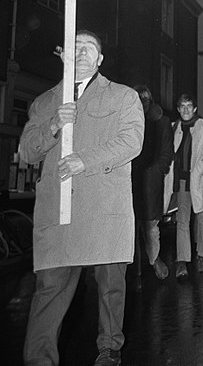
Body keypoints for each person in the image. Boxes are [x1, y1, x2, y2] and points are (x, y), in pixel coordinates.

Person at [20, 30, 144, 365]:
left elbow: (131, 141)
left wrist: (84, 160)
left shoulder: (122, 97)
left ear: (100, 59)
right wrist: (53, 127)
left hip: (104, 207)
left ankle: (109, 349)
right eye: (76, 48)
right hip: (59, 211)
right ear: (64, 55)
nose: (83, 53)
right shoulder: (46, 102)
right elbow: (26, 151)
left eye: (90, 48)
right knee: (49, 291)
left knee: (109, 288)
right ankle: (39, 359)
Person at [163, 94, 203, 278]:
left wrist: (201, 167)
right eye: (182, 106)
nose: (186, 110)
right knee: (182, 221)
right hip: (181, 182)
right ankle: (182, 260)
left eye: (190, 106)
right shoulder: (173, 128)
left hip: (201, 180)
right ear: (178, 109)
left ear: (195, 108)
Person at [131, 84, 173, 285]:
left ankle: (154, 259)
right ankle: (134, 270)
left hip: (150, 179)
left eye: (145, 98)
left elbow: (167, 149)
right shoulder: (127, 118)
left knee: (151, 224)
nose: (142, 101)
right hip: (129, 179)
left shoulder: (161, 121)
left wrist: (159, 170)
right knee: (131, 225)